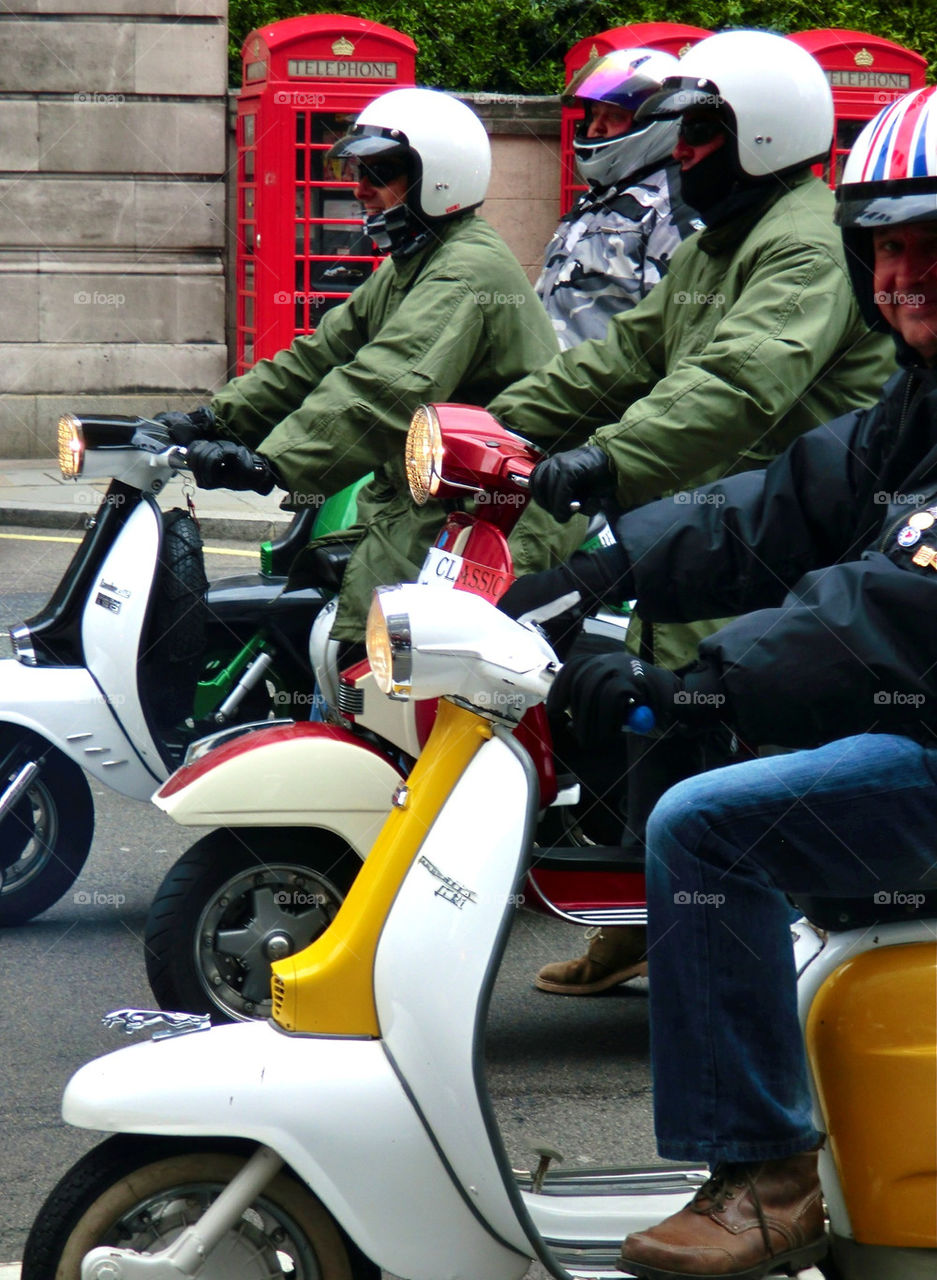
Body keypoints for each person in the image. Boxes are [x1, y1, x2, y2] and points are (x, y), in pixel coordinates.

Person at [504, 84, 937, 1279]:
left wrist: (677, 685)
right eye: (887, 246)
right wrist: (590, 570)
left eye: (931, 245)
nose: (903, 274)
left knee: (708, 828)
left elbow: (886, 606)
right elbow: (774, 509)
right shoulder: (912, 404)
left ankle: (761, 1178)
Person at [492, 30, 896, 995]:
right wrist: (494, 432)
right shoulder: (718, 245)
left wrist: (599, 463)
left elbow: (736, 385)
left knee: (698, 705)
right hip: (713, 512)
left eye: (698, 135)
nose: (679, 156)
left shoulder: (802, 244)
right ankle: (647, 904)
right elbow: (622, 355)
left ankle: (729, 938)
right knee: (625, 683)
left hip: (798, 534)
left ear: (760, 138)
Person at [159, 88, 570, 649]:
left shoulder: (463, 272)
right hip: (425, 497)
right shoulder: (414, 263)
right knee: (307, 597)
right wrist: (212, 421)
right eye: (357, 170)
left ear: (439, 179)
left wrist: (270, 465)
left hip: (497, 511)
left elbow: (386, 384)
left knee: (369, 645)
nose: (359, 189)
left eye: (379, 172)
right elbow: (319, 354)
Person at [536, 46, 699, 348]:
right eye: (594, 114)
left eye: (614, 116)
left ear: (655, 122)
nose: (596, 128)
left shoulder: (674, 207)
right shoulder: (599, 197)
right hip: (549, 383)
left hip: (601, 390)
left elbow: (666, 335)